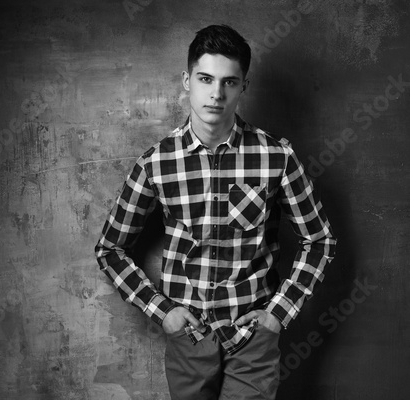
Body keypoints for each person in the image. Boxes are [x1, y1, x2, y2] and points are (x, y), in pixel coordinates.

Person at [95, 24, 336, 400]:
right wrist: (163, 312)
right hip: (188, 336)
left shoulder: (276, 157)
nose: (216, 93)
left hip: (252, 337)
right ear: (187, 80)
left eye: (229, 82)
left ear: (244, 87)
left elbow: (319, 240)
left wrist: (278, 313)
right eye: (206, 78)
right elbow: (109, 249)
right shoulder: (156, 163)